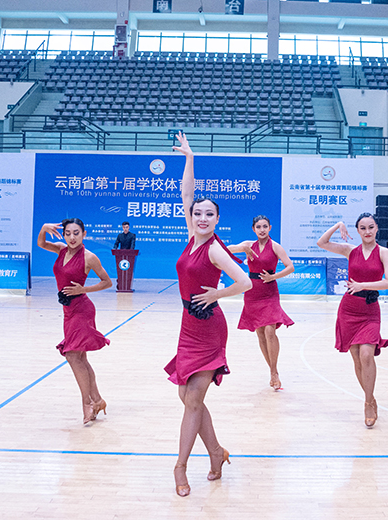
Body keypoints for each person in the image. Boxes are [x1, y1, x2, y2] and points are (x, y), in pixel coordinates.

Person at [166, 132, 252, 497]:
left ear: (218, 219)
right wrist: (190, 158)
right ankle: (216, 451)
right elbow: (187, 193)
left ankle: (180, 467)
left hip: (210, 327)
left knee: (194, 399)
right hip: (187, 326)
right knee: (187, 397)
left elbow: (245, 282)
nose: (202, 217)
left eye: (209, 214)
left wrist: (217, 293)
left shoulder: (215, 249)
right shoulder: (192, 235)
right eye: (198, 213)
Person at [317, 213, 388, 428]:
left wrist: (363, 285)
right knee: (357, 359)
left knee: (367, 354)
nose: (367, 231)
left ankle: (368, 403)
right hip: (349, 309)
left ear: (377, 228)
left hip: (370, 310)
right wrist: (338, 224)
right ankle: (371, 398)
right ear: (358, 231)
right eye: (362, 228)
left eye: (371, 227)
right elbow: (322, 242)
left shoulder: (384, 252)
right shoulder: (350, 251)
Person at [38, 218, 112, 424]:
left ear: (84, 234)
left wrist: (83, 289)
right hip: (68, 311)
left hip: (82, 310)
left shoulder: (89, 257)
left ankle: (87, 402)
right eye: (68, 233)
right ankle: (97, 400)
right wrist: (44, 228)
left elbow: (107, 282)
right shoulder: (61, 250)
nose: (72, 237)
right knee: (80, 358)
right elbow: (41, 243)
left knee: (72, 355)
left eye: (76, 233)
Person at [227, 215, 295, 390]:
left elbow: (290, 267)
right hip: (252, 292)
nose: (262, 230)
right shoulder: (248, 245)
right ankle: (272, 370)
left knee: (270, 330)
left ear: (270, 228)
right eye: (258, 227)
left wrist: (274, 276)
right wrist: (242, 247)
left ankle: (274, 372)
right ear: (253, 229)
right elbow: (226, 250)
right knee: (260, 333)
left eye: (265, 226)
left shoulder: (275, 246)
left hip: (269, 292)